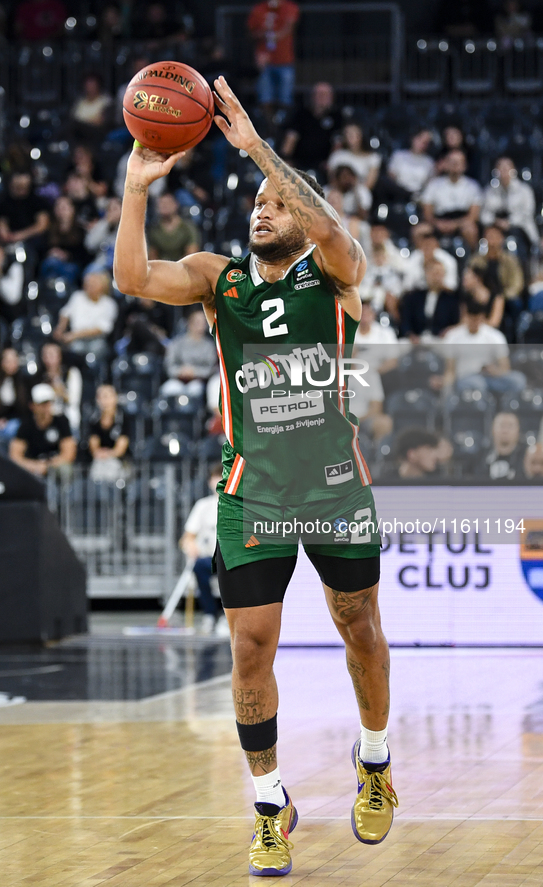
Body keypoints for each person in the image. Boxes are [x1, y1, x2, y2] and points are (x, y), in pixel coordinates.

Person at [114, 74, 398, 877]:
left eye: (279, 202)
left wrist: (256, 150)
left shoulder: (330, 273)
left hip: (337, 486)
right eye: (258, 202)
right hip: (254, 494)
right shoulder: (218, 279)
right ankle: (270, 804)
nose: (264, 209)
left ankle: (373, 760)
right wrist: (135, 189)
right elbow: (133, 279)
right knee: (250, 649)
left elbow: (342, 238)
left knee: (359, 627)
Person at [179, 464, 229, 635]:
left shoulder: (239, 505)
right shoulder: (203, 506)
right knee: (199, 566)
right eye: (216, 478)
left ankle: (227, 616)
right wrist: (190, 545)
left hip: (232, 559)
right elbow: (187, 537)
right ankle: (210, 614)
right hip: (210, 558)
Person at [442, 299, 526, 394]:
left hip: (490, 378)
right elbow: (450, 369)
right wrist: (446, 387)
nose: (474, 322)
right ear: (466, 316)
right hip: (465, 378)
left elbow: (505, 367)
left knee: (518, 380)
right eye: (472, 318)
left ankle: (509, 405)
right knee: (477, 383)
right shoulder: (453, 336)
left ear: (482, 317)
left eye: (477, 318)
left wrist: (494, 371)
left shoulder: (495, 336)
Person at [248, 0, 300, 123]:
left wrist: (274, 35)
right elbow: (251, 32)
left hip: (285, 60)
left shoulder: (290, 7)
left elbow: (289, 27)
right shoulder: (258, 9)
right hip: (264, 62)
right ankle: (268, 126)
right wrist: (264, 34)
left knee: (285, 96)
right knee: (265, 96)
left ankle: (283, 124)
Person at [9, 383, 76, 478]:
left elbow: (69, 453)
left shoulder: (61, 421)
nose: (46, 407)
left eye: (49, 402)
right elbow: (15, 455)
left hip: (54, 465)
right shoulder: (26, 424)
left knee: (65, 470)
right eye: (42, 404)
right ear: (33, 406)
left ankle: (64, 493)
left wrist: (48, 465)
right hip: (32, 467)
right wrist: (33, 465)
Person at [421, 149, 481, 250]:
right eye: (452, 162)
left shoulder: (472, 186)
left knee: (471, 230)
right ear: (446, 164)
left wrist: (454, 224)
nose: (455, 165)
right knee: (419, 231)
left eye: (458, 162)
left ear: (464, 166)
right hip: (438, 221)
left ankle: (472, 260)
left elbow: (473, 216)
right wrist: (437, 223)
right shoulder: (433, 185)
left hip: (461, 222)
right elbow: (427, 212)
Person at [280, 82, 340, 180]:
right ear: (312, 97)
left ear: (332, 98)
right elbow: (290, 139)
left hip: (324, 165)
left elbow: (338, 144)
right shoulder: (301, 115)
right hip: (299, 163)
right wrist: (285, 159)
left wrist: (331, 162)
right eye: (319, 94)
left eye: (325, 95)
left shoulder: (337, 117)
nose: (322, 98)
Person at [481, 157, 538, 257]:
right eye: (501, 168)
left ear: (514, 170)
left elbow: (527, 214)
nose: (504, 171)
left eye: (507, 168)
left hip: (520, 228)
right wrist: (495, 221)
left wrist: (509, 222)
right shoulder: (489, 191)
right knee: (489, 237)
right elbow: (483, 214)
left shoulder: (524, 190)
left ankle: (522, 266)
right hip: (496, 227)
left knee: (517, 239)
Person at [53, 270, 118, 359]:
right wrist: (60, 328)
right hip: (76, 340)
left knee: (96, 350)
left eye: (93, 284)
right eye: (87, 283)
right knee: (74, 349)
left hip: (96, 340)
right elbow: (65, 313)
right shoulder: (77, 297)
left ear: (102, 286)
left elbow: (102, 328)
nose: (89, 286)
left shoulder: (109, 304)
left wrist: (74, 335)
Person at [399, 259, 460, 341]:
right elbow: (405, 320)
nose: (437, 277)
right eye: (434, 273)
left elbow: (456, 322)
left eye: (440, 274)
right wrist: (410, 335)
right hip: (417, 339)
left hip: (441, 340)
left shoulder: (451, 299)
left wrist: (448, 332)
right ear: (426, 274)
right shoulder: (414, 297)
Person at [162, 309, 217, 397]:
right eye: (197, 322)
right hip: (177, 380)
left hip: (199, 381)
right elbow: (169, 366)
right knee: (169, 389)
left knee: (195, 389)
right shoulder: (177, 342)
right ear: (189, 323)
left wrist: (195, 372)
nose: (201, 326)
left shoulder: (209, 346)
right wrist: (180, 371)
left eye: (203, 322)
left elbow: (211, 368)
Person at [34, 341, 82, 434]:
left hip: (68, 418)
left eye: (52, 354)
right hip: (46, 420)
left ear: (60, 355)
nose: (48, 357)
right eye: (46, 354)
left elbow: (74, 400)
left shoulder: (71, 373)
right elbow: (37, 401)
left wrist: (59, 390)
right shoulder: (38, 376)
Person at [0, 171, 50, 253]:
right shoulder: (5, 202)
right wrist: (6, 235)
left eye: (23, 186)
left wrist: (20, 235)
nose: (20, 188)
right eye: (18, 186)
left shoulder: (37, 201)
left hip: (33, 242)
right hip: (10, 242)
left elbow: (42, 225)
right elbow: (1, 223)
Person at [40, 195, 89, 284]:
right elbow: (41, 250)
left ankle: (65, 294)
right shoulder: (49, 230)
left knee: (68, 269)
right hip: (52, 262)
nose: (61, 210)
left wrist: (67, 255)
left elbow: (84, 254)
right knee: (51, 263)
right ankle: (49, 291)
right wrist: (51, 252)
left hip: (72, 264)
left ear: (72, 209)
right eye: (58, 207)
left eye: (65, 207)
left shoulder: (81, 231)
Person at [88, 384, 132, 481]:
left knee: (112, 468)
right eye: (101, 397)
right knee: (97, 467)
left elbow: (121, 448)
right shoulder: (94, 419)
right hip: (99, 460)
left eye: (107, 396)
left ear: (115, 398)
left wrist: (108, 454)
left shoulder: (123, 418)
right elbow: (93, 445)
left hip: (119, 460)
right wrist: (99, 454)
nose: (104, 401)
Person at [403, 225, 458, 293]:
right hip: (419, 296)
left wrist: (435, 282)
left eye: (430, 244)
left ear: (436, 244)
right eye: (425, 244)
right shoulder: (414, 257)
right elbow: (407, 286)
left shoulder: (448, 260)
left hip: (442, 294)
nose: (427, 248)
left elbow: (452, 287)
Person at [328, 122, 382, 191]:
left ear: (361, 135)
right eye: (347, 134)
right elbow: (332, 181)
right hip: (337, 193)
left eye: (353, 134)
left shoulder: (373, 158)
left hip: (358, 195)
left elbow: (368, 186)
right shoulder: (337, 155)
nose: (350, 137)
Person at [0, 347, 31, 450]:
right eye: (7, 361)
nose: (11, 364)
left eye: (13, 361)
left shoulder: (24, 381)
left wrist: (7, 419)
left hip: (17, 420)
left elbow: (24, 408)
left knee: (12, 429)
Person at [148, 193, 201, 262]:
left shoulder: (188, 228)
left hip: (183, 268)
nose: (165, 205)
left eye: (168, 203)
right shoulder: (154, 230)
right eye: (161, 203)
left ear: (176, 204)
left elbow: (192, 253)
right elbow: (152, 255)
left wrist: (176, 269)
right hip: (161, 268)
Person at [386, 129, 435, 200]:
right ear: (413, 138)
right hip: (397, 193)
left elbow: (429, 183)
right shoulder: (399, 156)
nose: (422, 143)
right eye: (420, 139)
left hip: (417, 196)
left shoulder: (429, 162)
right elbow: (391, 176)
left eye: (426, 142)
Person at [480, 412, 525, 482]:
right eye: (501, 426)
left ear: (518, 431)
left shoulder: (527, 458)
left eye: (510, 426)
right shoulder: (480, 457)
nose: (505, 431)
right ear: (492, 430)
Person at [70, 74, 113, 143]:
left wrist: (84, 123)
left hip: (96, 132)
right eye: (88, 84)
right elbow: (73, 117)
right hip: (78, 132)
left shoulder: (105, 100)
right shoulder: (81, 102)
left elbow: (101, 121)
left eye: (92, 84)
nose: (90, 87)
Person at [460, 264, 503, 329]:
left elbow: (494, 323)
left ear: (478, 279)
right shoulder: (465, 298)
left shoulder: (497, 297)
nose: (464, 282)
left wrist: (475, 322)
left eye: (467, 278)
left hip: (490, 333)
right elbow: (463, 321)